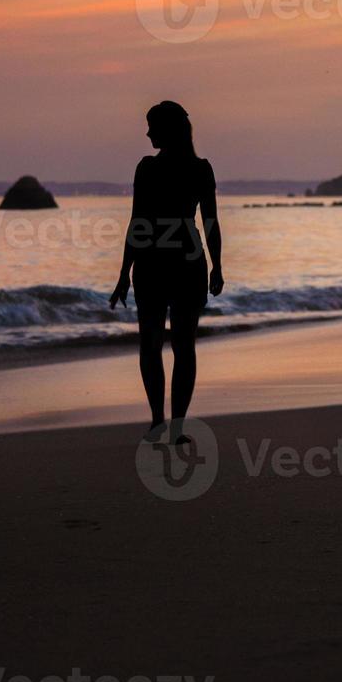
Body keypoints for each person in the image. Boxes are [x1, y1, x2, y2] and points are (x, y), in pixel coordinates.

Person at [109, 101, 224, 440]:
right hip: (187, 260)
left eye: (152, 127)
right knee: (182, 345)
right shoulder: (200, 168)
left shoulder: (148, 169)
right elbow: (211, 224)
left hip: (154, 263)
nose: (147, 133)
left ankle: (161, 422)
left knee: (153, 343)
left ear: (167, 130)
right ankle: (171, 425)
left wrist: (124, 272)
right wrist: (217, 265)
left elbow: (138, 223)